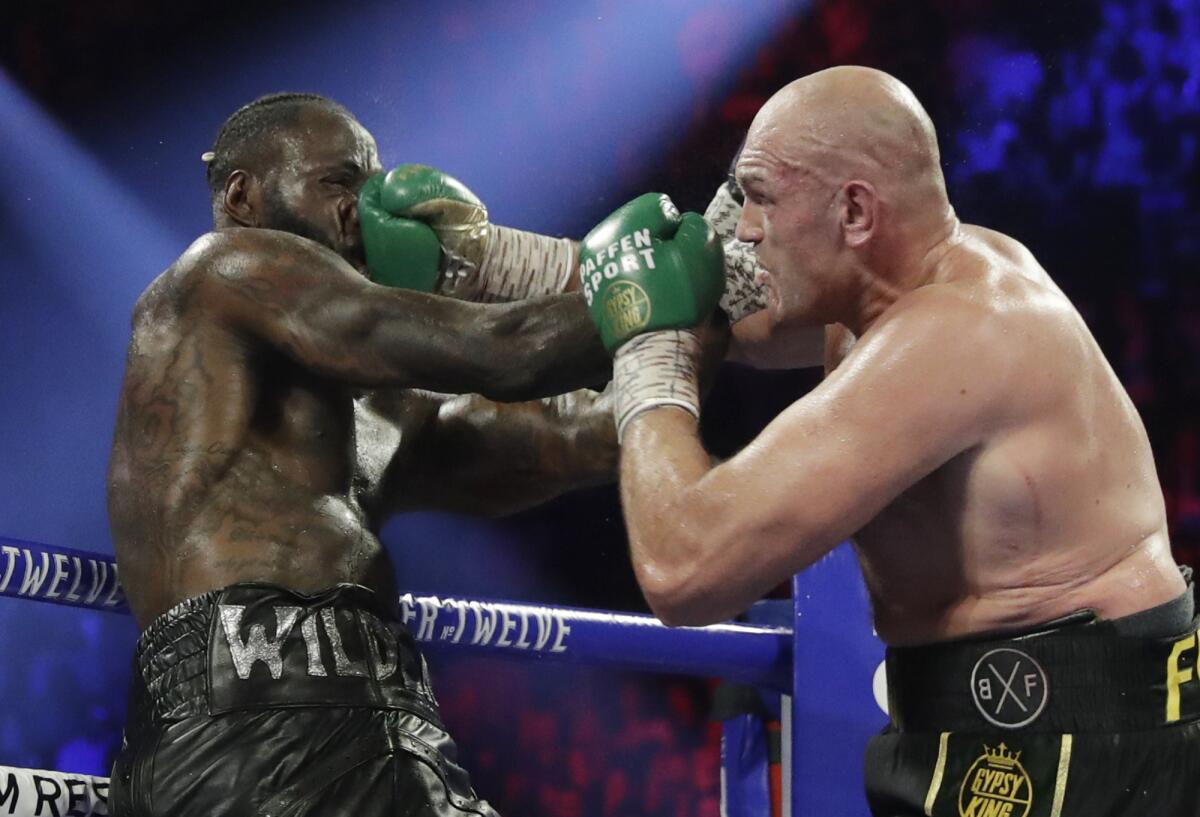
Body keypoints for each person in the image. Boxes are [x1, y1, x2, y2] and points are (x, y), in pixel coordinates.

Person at [583, 66, 1200, 815]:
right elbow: (684, 306)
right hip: (985, 725)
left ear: (854, 211)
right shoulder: (878, 293)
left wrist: (650, 359)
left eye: (762, 197)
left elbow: (684, 567)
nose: (742, 227)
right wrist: (478, 266)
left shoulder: (958, 330)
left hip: (1077, 739)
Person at [105, 92, 623, 817]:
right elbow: (497, 351)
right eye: (339, 183)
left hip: (380, 723)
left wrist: (718, 308)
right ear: (243, 196)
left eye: (373, 186)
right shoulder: (219, 271)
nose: (369, 209)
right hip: (258, 726)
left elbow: (586, 434)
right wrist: (624, 280)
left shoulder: (379, 402)